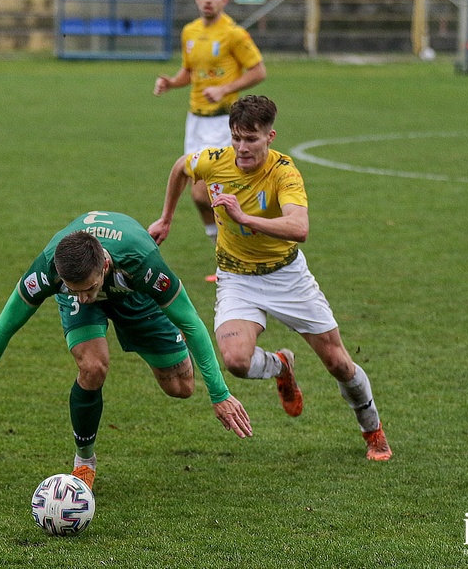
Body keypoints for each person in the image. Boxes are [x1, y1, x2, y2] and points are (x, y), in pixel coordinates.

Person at [149, 96, 392, 462]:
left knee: (339, 364)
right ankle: (281, 364)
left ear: (270, 136)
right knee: (234, 360)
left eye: (251, 139)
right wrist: (166, 217)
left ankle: (373, 431)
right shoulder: (215, 161)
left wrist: (244, 218)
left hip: (287, 277)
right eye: (236, 138)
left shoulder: (284, 172)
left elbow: (300, 227)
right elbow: (182, 167)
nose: (242, 148)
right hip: (236, 277)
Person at [0, 211, 252, 489]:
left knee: (181, 388)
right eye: (74, 289)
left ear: (103, 264)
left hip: (134, 295)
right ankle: (84, 462)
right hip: (94, 292)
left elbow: (192, 323)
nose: (85, 297)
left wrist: (219, 393)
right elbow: (4, 326)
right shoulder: (49, 269)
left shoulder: (141, 262)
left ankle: (156, 338)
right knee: (92, 367)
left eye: (89, 288)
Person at [153, 0, 266, 282]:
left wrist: (225, 87)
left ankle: (243, 249)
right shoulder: (189, 32)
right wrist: (171, 83)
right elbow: (189, 72)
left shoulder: (234, 34)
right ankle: (225, 257)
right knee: (200, 195)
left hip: (223, 121)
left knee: (207, 191)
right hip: (195, 120)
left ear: (224, 0)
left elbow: (258, 71)